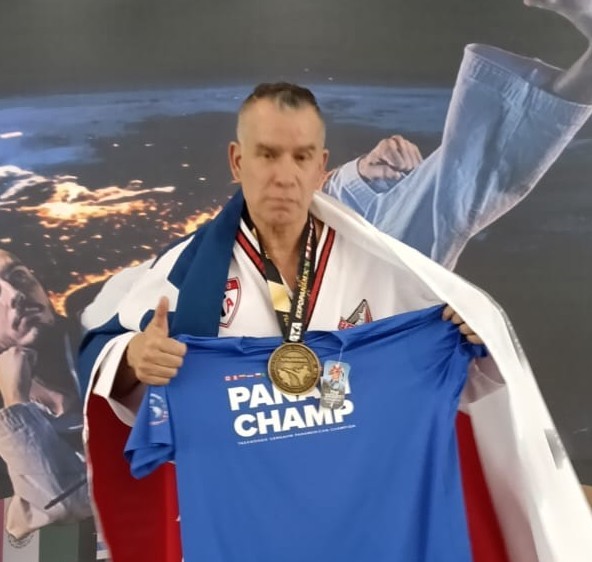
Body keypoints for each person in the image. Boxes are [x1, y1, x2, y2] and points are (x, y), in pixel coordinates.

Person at [79, 82, 592, 562]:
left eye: (301, 157)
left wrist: (478, 340)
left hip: (365, 514)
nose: (284, 175)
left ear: (321, 166)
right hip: (250, 519)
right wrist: (132, 359)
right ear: (237, 161)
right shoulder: (184, 274)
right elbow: (101, 354)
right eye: (267, 154)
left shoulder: (385, 266)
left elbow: (454, 386)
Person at [0, 249, 93, 539]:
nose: (16, 294)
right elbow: (59, 504)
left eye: (18, 277)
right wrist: (15, 401)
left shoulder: (100, 340)